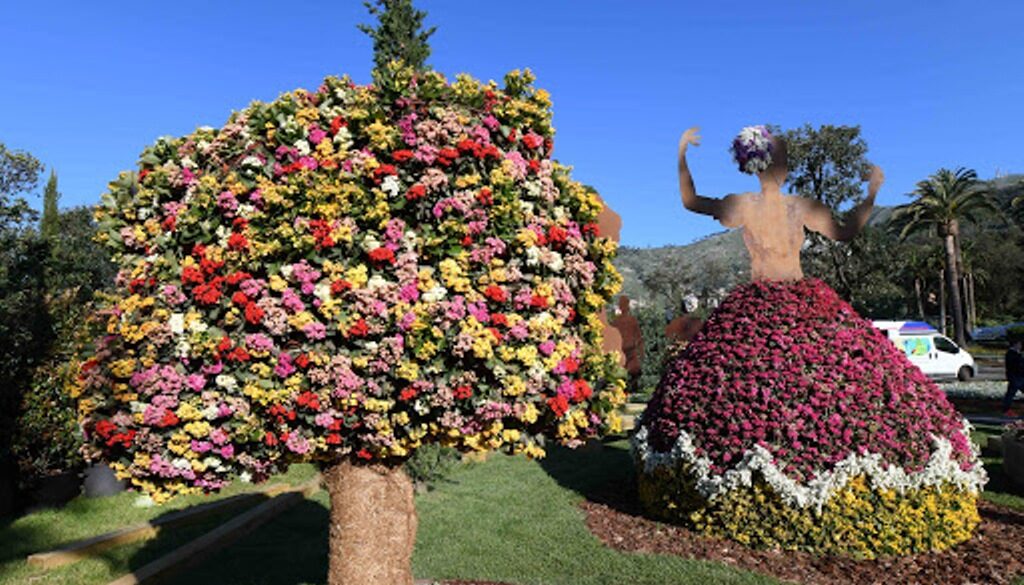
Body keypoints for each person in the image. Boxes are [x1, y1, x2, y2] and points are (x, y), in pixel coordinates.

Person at [677, 126, 884, 282]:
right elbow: (845, 232)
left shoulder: (749, 205)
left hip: (783, 300)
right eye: (783, 160)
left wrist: (682, 155)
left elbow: (692, 201)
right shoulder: (758, 205)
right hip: (777, 301)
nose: (785, 167)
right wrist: (871, 193)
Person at [610, 296, 643, 391]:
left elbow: (638, 336)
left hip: (630, 350)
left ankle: (629, 389)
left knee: (633, 371)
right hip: (622, 350)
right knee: (622, 372)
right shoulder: (616, 321)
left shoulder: (630, 320)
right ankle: (624, 390)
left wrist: (640, 349)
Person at [1003, 335, 1024, 416]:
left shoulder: (1016, 354)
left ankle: (1006, 409)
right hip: (1016, 378)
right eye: (1019, 344)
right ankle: (1006, 410)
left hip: (1018, 378)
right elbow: (1016, 366)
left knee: (1010, 394)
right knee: (1010, 395)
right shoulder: (1011, 354)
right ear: (1015, 344)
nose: (1021, 346)